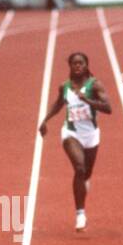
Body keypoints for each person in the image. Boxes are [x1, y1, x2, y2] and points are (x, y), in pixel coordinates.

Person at [38, 51, 111, 232]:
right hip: (71, 134)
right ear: (70, 66)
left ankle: (83, 185)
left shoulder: (95, 85)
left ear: (87, 65)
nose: (78, 66)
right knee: (79, 168)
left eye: (81, 63)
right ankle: (80, 214)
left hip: (91, 135)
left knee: (86, 174)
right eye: (74, 63)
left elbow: (108, 108)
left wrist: (87, 99)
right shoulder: (65, 87)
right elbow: (58, 104)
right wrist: (45, 120)